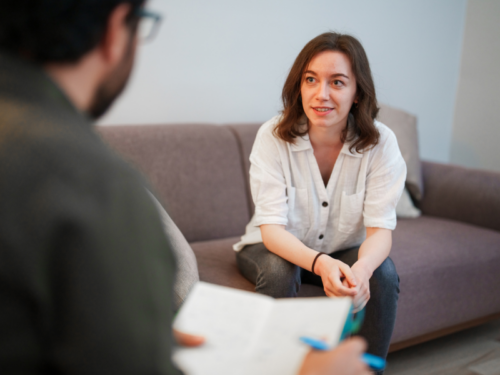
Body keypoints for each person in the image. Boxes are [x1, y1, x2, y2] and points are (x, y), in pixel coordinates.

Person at [0, 2, 371, 374]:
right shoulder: (93, 182)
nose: (322, 93)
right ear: (115, 31)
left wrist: (150, 339)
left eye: (337, 82)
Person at [234, 32, 406, 370]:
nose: (320, 94)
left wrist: (361, 270)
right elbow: (271, 230)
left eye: (337, 82)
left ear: (358, 93)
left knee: (382, 273)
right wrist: (320, 264)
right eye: (310, 79)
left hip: (344, 248)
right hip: (273, 246)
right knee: (278, 269)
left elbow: (380, 230)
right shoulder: (273, 137)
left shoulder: (382, 144)